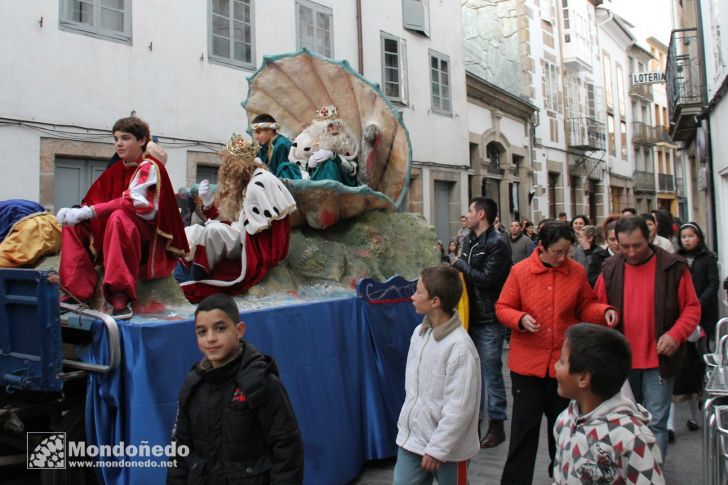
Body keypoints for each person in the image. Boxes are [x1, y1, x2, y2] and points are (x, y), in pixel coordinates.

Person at [495, 221, 618, 485]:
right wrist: (520, 319)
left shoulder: (575, 272)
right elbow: (503, 307)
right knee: (523, 432)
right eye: (557, 252)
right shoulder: (520, 272)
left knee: (562, 431)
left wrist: (602, 311)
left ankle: (562, 478)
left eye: (567, 251)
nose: (563, 258)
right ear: (542, 247)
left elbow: (586, 306)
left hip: (563, 369)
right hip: (527, 367)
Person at [57, 116, 189, 319]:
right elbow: (93, 200)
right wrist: (78, 212)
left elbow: (131, 203)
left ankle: (120, 295)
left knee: (118, 217)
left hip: (144, 238)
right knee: (73, 224)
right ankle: (76, 291)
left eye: (125, 138)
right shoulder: (115, 171)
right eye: (116, 138)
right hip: (113, 231)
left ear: (142, 140)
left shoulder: (150, 167)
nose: (118, 143)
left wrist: (89, 211)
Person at [167, 293, 304, 484]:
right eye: (202, 332)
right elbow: (179, 450)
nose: (211, 338)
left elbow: (286, 448)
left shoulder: (261, 382)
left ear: (239, 330)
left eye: (220, 328)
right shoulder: (193, 385)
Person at [594, 215, 701, 458]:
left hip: (659, 361)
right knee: (626, 423)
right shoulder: (610, 269)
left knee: (656, 424)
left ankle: (652, 475)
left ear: (650, 238)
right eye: (624, 246)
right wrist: (605, 312)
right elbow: (596, 305)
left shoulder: (673, 267)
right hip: (622, 361)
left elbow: (692, 308)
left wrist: (675, 335)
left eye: (637, 245)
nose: (631, 252)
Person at [394, 265, 481, 485]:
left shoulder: (460, 348)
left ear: (435, 301)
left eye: (419, 291)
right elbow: (413, 390)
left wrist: (438, 449)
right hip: (412, 441)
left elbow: (459, 407)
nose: (413, 296)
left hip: (450, 450)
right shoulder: (419, 334)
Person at [552, 324, 665, 484]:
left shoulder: (632, 439)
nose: (556, 366)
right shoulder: (564, 421)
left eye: (562, 361)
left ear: (583, 379)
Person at [451, 197, 512, 449]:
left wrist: (459, 264)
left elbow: (486, 278)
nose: (467, 215)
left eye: (470, 211)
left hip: (488, 318)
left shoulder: (497, 243)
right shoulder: (469, 240)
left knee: (491, 373)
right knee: (470, 374)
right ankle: (473, 421)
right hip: (468, 316)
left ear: (482, 214)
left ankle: (497, 424)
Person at [668, 222, 718, 440]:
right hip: (681, 318)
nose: (687, 239)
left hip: (703, 317)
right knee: (680, 364)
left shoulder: (708, 258)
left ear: (699, 237)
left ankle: (699, 401)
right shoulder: (676, 259)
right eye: (684, 236)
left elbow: (712, 284)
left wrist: (697, 304)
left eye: (691, 236)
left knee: (699, 358)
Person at [252, 113, 301, 180]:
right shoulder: (263, 146)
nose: (256, 137)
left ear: (269, 130)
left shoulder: (282, 145)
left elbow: (285, 177)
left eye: (258, 133)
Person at [587, 216, 620, 287]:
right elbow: (591, 282)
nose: (616, 243)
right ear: (606, 239)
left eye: (619, 239)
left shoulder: (630, 256)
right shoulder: (597, 257)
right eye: (612, 239)